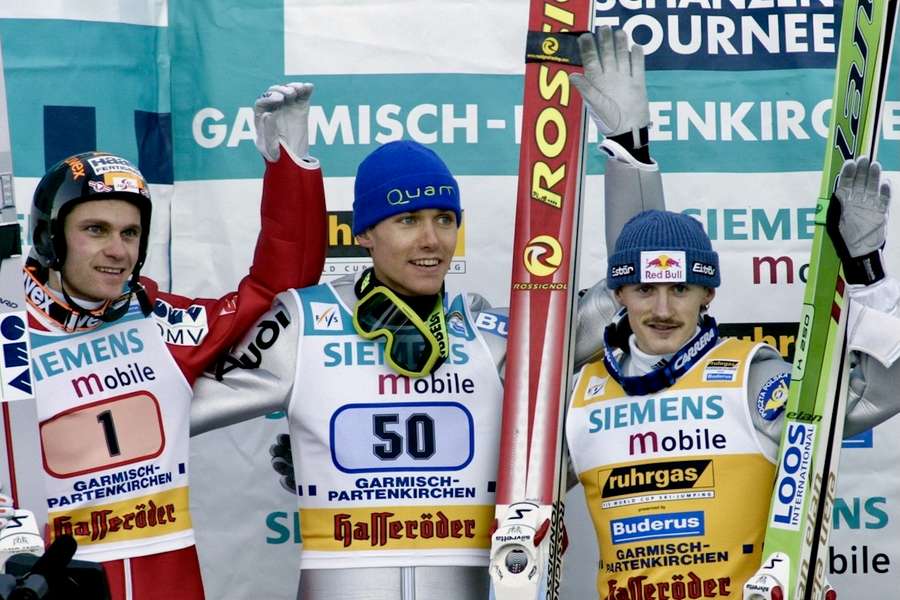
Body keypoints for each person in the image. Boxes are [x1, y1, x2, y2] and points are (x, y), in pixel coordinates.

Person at [188, 25, 665, 600]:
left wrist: (628, 149)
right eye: (407, 220)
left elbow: (633, 290)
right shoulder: (303, 325)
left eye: (444, 219)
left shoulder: (488, 333)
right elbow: (167, 406)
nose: (431, 239)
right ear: (364, 232)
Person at [564, 30, 900, 599]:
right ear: (616, 295)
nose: (664, 309)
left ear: (709, 296)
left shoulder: (753, 377)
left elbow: (880, 393)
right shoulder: (580, 392)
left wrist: (866, 269)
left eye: (683, 289)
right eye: (644, 289)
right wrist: (628, 149)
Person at [5, 82, 327, 600]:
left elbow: (276, 288)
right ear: (49, 236)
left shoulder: (161, 322)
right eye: (95, 229)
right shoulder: (8, 339)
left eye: (130, 233)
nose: (117, 251)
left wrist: (290, 165)